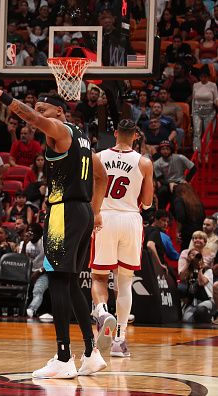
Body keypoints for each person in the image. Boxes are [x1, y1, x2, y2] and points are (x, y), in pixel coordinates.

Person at [0, 66, 108, 378]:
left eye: (43, 109)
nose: (38, 115)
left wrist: (2, 96)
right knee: (71, 280)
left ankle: (63, 357)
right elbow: (101, 176)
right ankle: (90, 353)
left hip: (64, 212)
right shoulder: (83, 138)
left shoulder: (59, 129)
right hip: (82, 212)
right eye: (37, 110)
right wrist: (96, 210)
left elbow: (33, 119)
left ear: (58, 111)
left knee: (59, 281)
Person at [90, 119, 154, 358]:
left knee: (98, 276)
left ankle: (103, 311)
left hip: (104, 216)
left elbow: (89, 191)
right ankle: (120, 339)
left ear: (116, 133)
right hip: (130, 219)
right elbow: (147, 203)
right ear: (135, 136)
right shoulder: (145, 163)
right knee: (125, 281)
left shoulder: (99, 157)